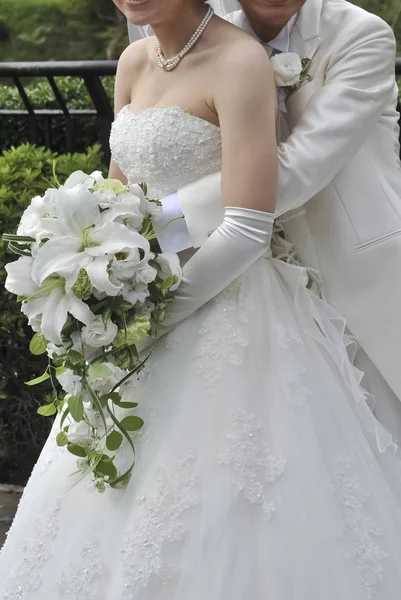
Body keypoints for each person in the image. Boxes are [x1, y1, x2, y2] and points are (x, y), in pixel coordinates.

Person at [1, 1, 401, 598]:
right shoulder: (150, 53)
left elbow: (288, 173)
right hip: (192, 272)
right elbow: (119, 184)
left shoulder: (353, 38)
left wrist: (148, 281)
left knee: (352, 451)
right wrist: (96, 255)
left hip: (332, 260)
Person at [128, 0, 401, 442]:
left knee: (382, 441)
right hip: (255, 284)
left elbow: (297, 168)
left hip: (356, 270)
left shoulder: (360, 34)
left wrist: (160, 222)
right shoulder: (214, 38)